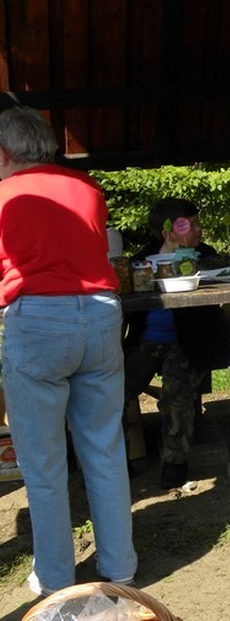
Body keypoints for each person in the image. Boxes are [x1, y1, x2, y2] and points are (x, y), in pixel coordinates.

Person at [0, 106, 137, 595]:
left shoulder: (5, 194)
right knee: (104, 448)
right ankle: (120, 568)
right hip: (99, 314)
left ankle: (56, 577)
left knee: (44, 462)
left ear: (4, 152)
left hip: (37, 319)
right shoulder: (87, 188)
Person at [123, 197, 230, 490]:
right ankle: (116, 461)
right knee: (112, 392)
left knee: (177, 397)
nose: (199, 230)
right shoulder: (141, 262)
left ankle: (175, 466)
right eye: (190, 225)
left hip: (187, 343)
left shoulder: (206, 257)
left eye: (198, 223)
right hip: (145, 342)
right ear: (168, 231)